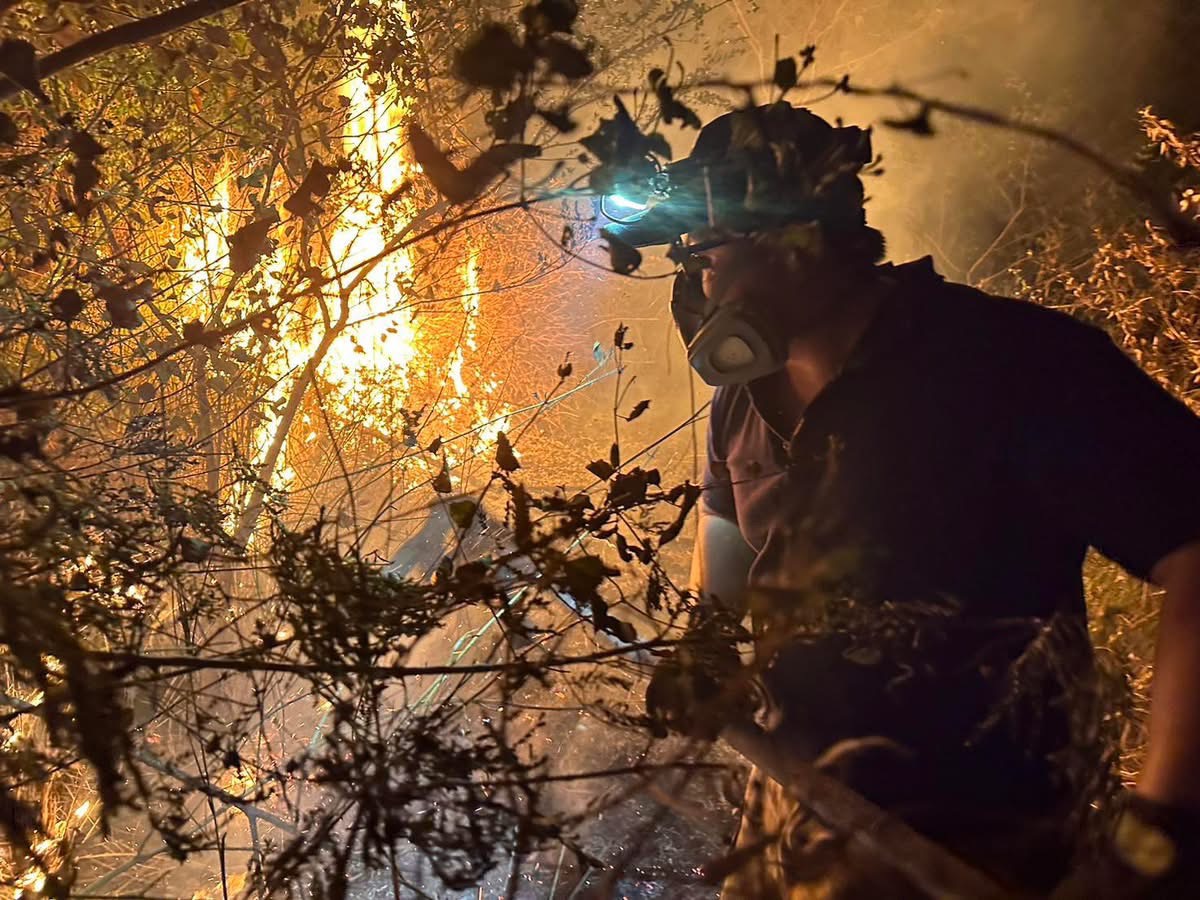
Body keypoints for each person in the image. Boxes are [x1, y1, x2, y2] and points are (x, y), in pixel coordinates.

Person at [604, 102, 1200, 898]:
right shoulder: (743, 401)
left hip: (968, 853)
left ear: (793, 241)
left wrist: (1158, 833)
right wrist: (708, 639)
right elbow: (728, 522)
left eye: (708, 251)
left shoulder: (1011, 366)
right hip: (792, 813)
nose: (698, 280)